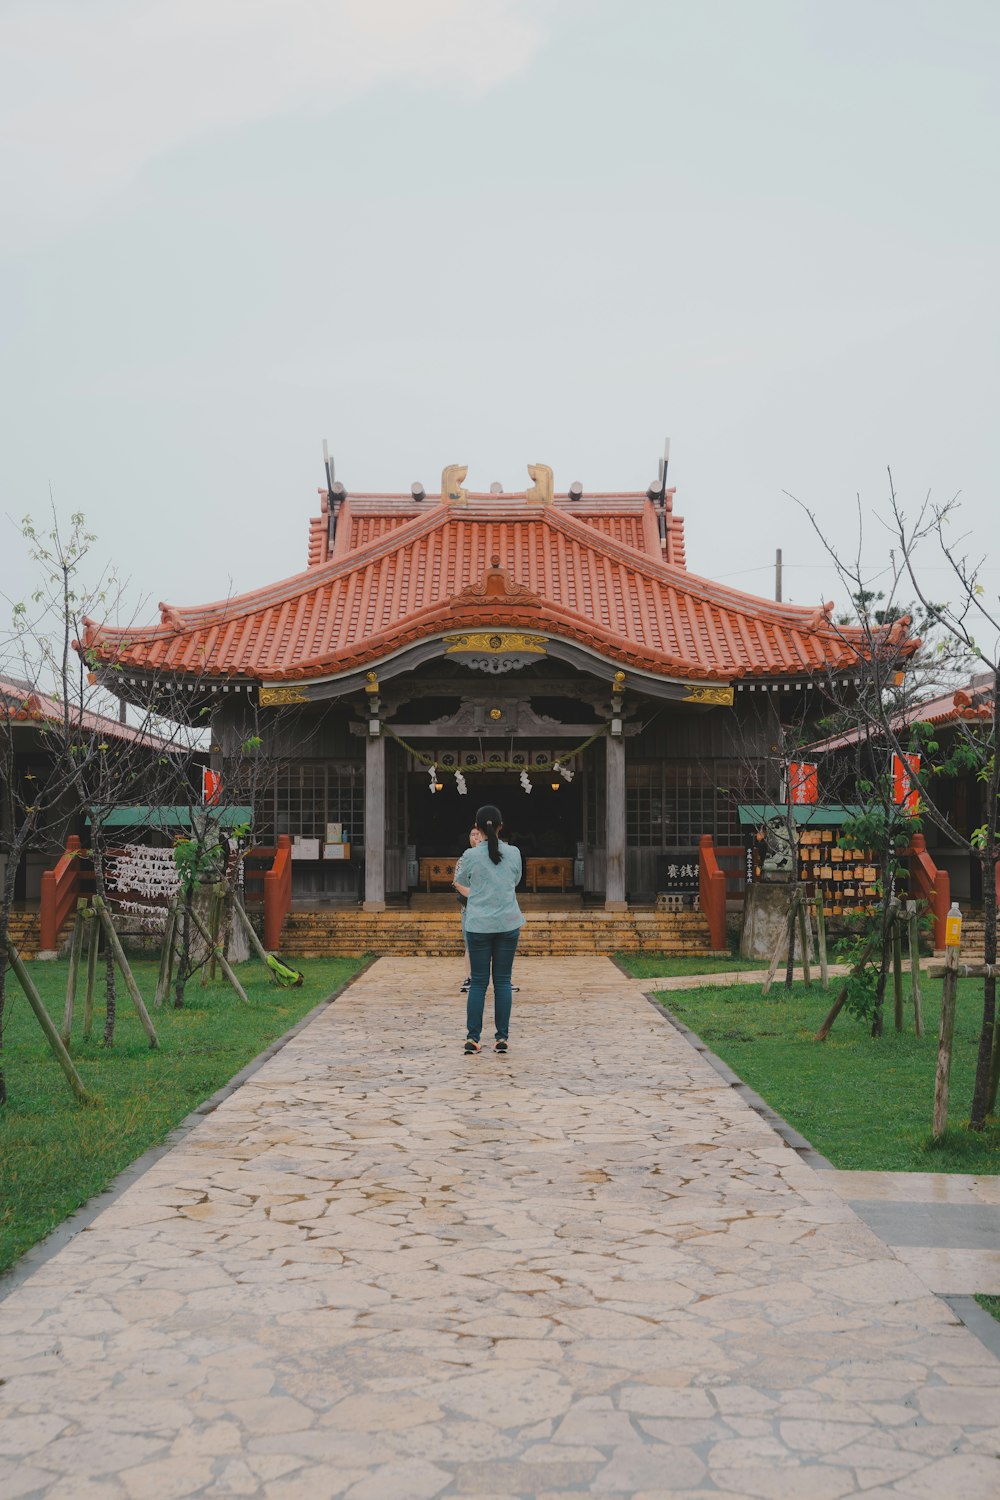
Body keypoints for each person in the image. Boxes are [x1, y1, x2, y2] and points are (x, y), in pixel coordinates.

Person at [453, 803, 523, 1055]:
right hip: (507, 921)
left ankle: (473, 1038)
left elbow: (460, 882)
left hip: (479, 924)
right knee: (503, 981)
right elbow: (515, 881)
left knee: (479, 983)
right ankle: (501, 1038)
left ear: (477, 828)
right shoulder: (514, 853)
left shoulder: (470, 856)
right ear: (501, 826)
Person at [456, 824, 484, 994]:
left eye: (478, 834)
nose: (476, 837)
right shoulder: (464, 859)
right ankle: (470, 977)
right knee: (470, 944)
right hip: (470, 906)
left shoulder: (491, 857)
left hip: (488, 907)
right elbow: (457, 882)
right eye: (473, 834)